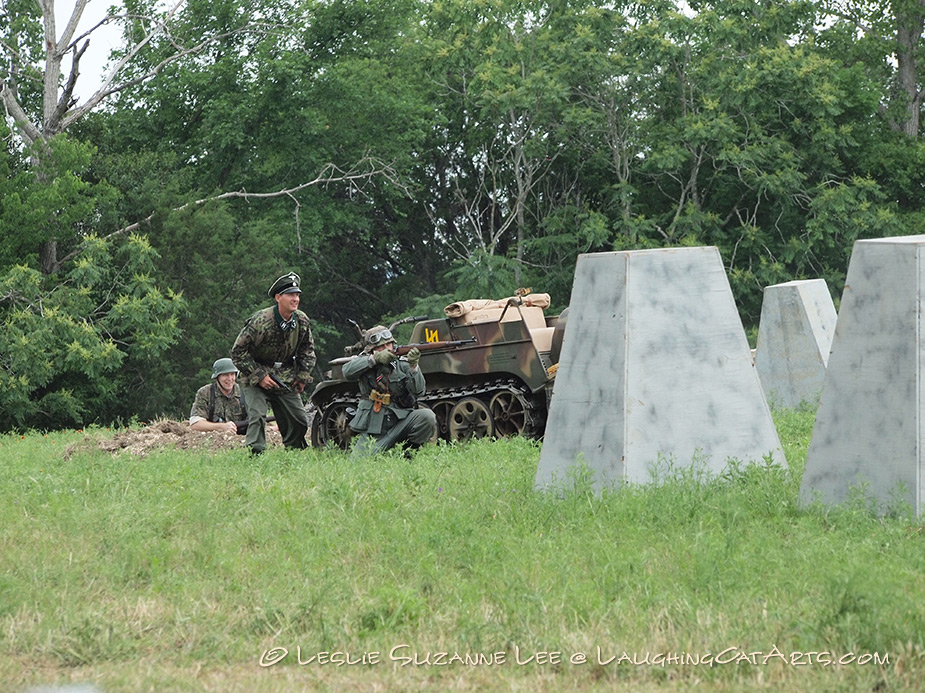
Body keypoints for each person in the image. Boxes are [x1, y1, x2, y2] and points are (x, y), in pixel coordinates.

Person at [231, 272, 316, 453]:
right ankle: (256, 455)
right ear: (278, 297)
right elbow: (238, 353)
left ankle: (295, 451)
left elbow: (307, 350)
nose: (295, 299)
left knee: (299, 418)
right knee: (258, 416)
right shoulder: (261, 321)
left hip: (284, 374)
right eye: (291, 295)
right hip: (254, 373)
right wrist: (259, 376)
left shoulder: (301, 320)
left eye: (297, 295)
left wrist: (302, 376)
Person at [342, 325, 437, 455]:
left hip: (399, 422)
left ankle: (408, 453)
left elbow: (419, 392)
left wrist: (414, 367)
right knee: (358, 464)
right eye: (381, 347)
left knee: (427, 416)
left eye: (389, 344)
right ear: (372, 350)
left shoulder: (402, 364)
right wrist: (375, 359)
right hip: (373, 427)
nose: (387, 348)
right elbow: (347, 372)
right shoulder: (365, 362)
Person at [189, 358, 247, 434]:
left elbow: (256, 418)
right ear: (217, 377)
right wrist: (222, 427)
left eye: (232, 374)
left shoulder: (245, 392)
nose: (230, 379)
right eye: (225, 375)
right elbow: (195, 424)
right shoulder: (205, 393)